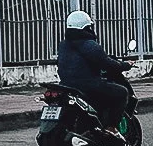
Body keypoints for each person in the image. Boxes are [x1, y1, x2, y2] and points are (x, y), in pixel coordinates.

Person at [57, 9, 134, 137]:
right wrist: (124, 65)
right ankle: (111, 127)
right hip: (88, 85)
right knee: (122, 92)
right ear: (87, 27)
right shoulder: (89, 44)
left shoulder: (64, 45)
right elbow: (106, 63)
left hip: (65, 84)